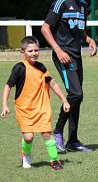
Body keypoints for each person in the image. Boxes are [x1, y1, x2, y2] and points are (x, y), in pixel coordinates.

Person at [41, 0, 97, 153]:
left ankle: (73, 140)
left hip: (76, 56)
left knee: (77, 98)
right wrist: (58, 50)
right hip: (63, 56)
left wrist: (88, 39)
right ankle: (57, 131)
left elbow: (79, 29)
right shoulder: (61, 3)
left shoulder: (83, 5)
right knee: (76, 94)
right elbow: (45, 28)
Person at [1, 36, 70, 170]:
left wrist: (64, 100)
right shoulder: (19, 68)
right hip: (24, 109)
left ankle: (54, 160)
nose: (34, 53)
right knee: (28, 137)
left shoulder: (41, 67)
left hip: (42, 108)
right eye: (30, 51)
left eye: (36, 50)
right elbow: (8, 86)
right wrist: (4, 105)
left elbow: (53, 84)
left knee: (47, 134)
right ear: (23, 52)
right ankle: (25, 157)